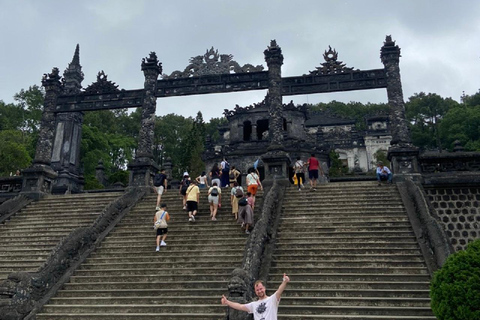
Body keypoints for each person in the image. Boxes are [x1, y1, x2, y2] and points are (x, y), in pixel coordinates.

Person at [221, 273, 290, 319]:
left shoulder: (272, 300)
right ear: (255, 291)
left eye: (261, 289)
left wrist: (284, 282)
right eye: (257, 290)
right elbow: (240, 306)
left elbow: (279, 291)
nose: (259, 291)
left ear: (264, 288)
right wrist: (227, 302)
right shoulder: (254, 305)